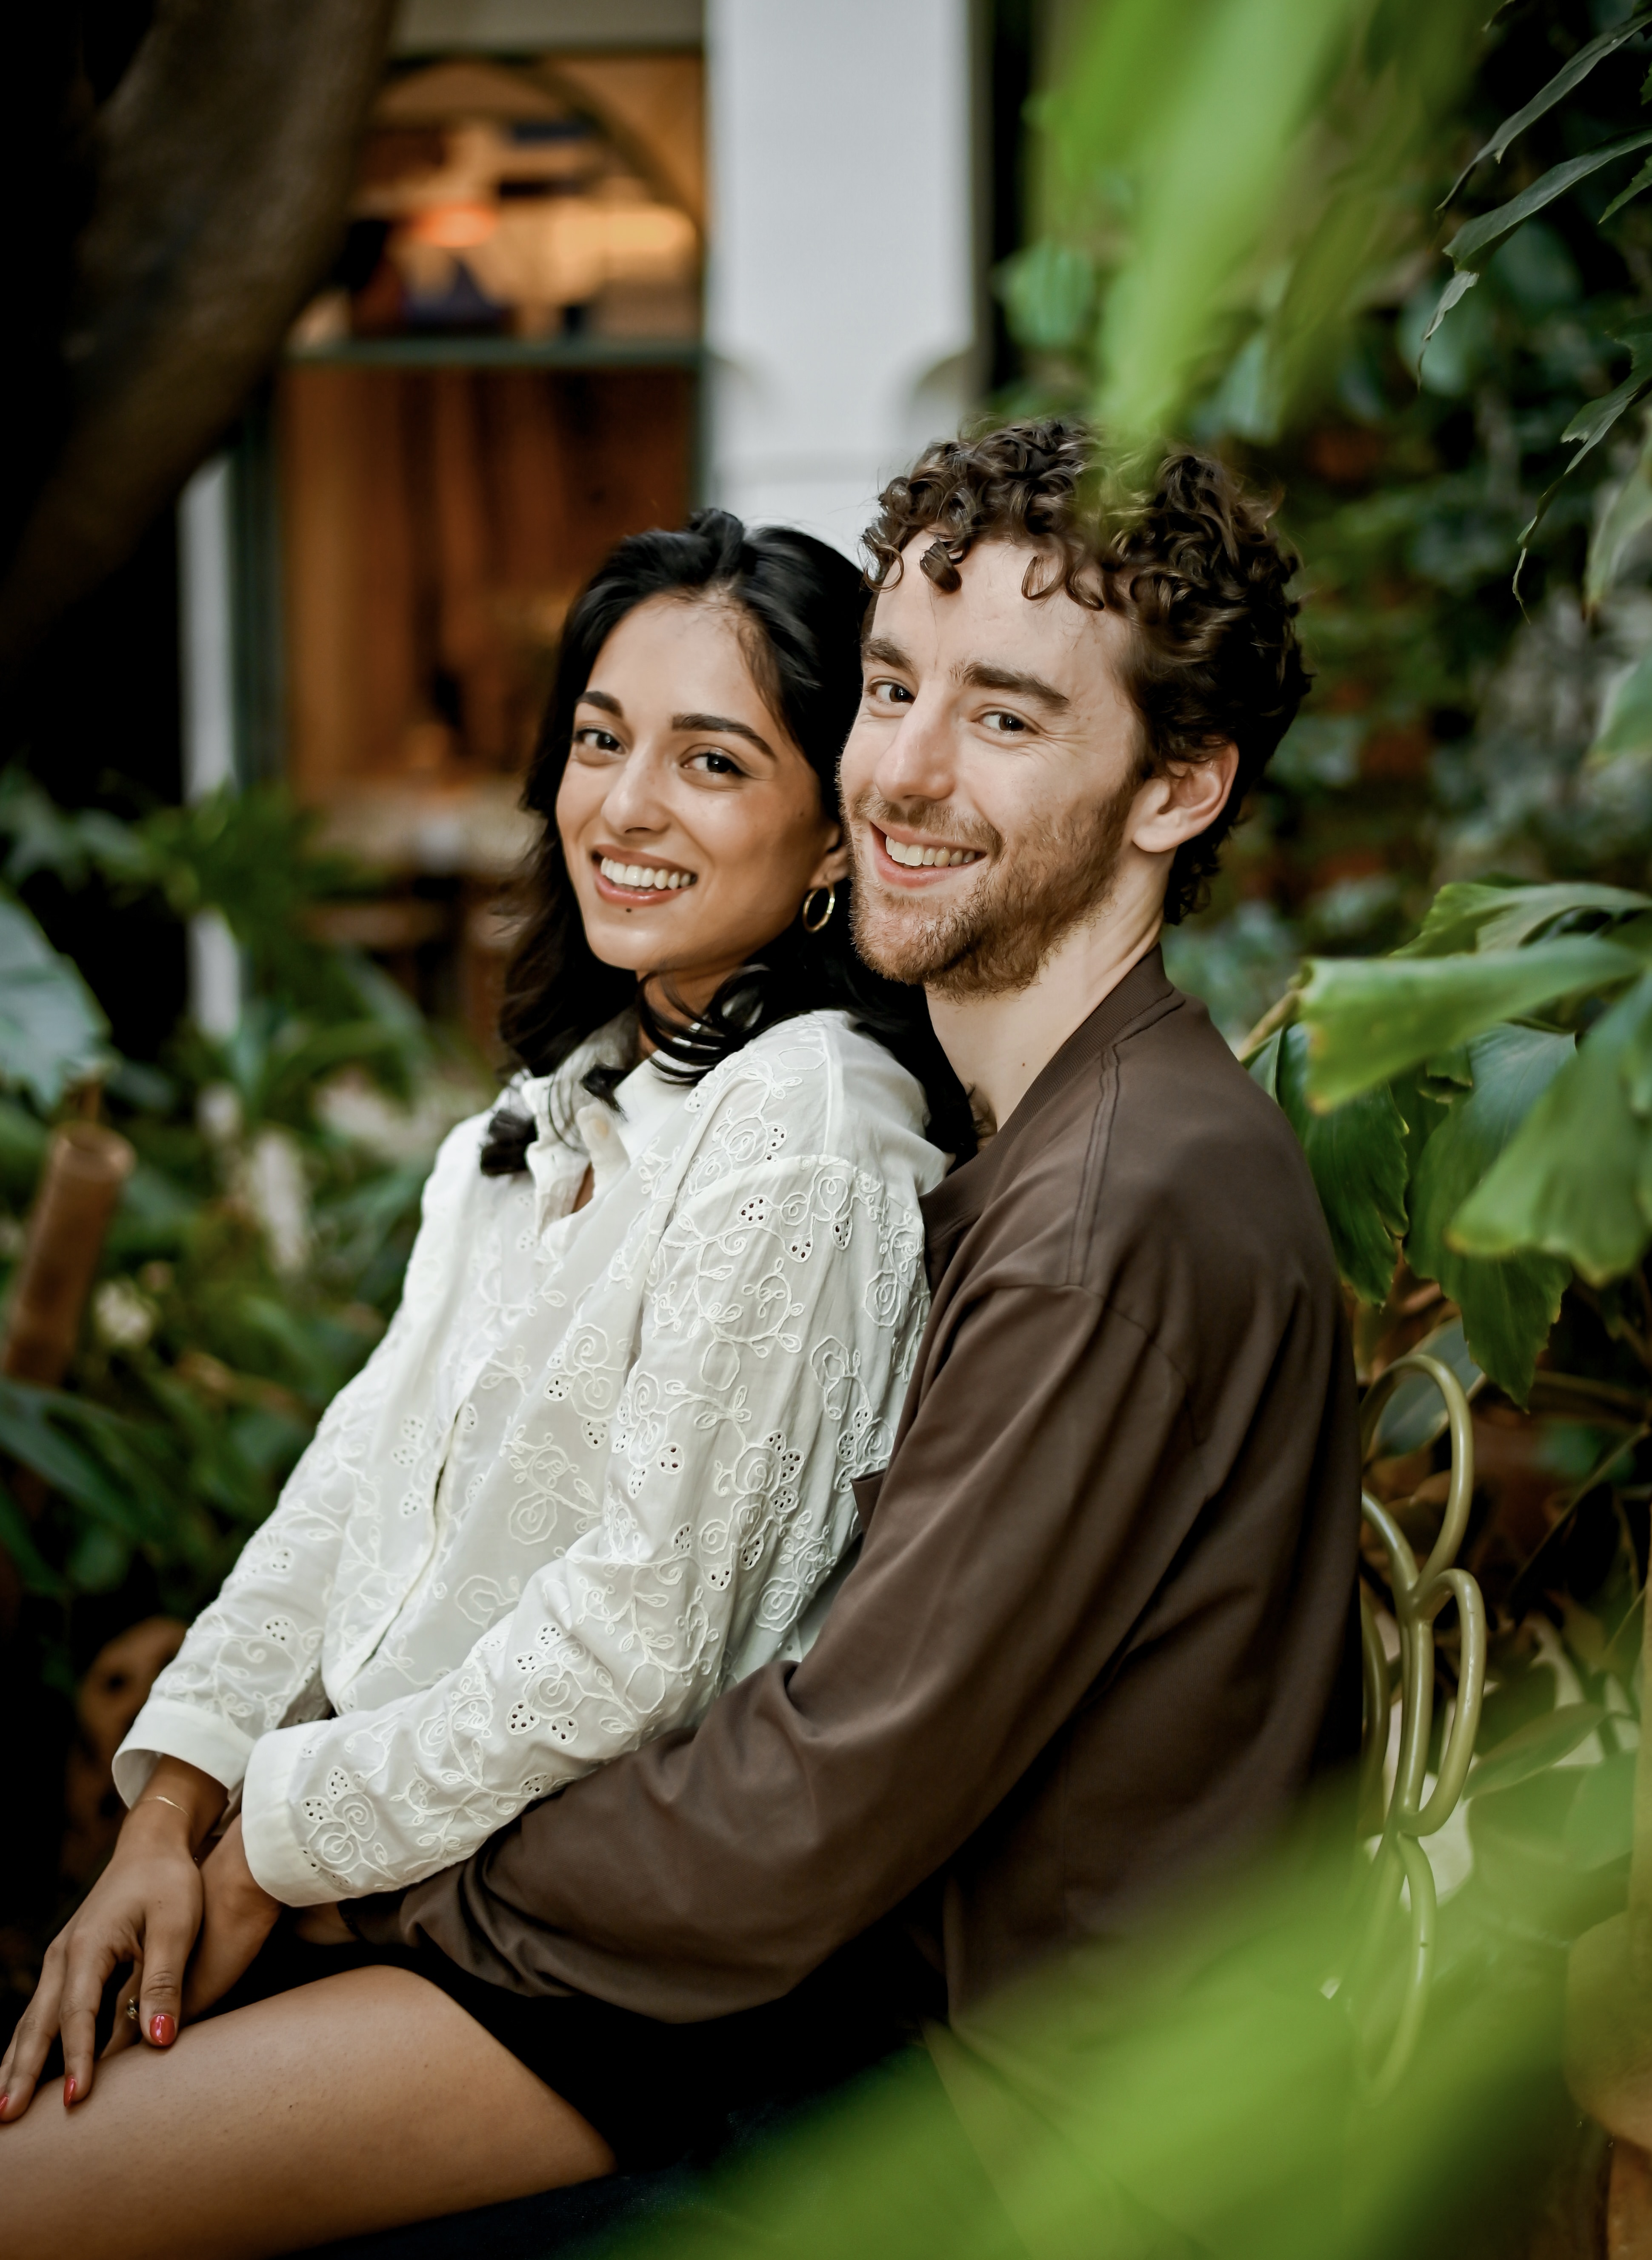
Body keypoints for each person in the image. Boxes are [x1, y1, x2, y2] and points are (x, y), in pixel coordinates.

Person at [0, 423, 1361, 2260]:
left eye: (1005, 717)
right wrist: (204, 1804)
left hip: (1019, 2136)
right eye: (894, 689)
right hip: (853, 2020)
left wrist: (334, 1877)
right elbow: (381, 1480)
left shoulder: (1098, 1208)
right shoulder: (1044, 1144)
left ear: (1176, 788)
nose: (906, 767)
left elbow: (797, 1798)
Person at [0, 511, 963, 2247]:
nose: (624, 806)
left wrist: (269, 1840)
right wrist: (176, 1802)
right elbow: (346, 1482)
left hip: (587, 1953)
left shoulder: (808, 1120)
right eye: (599, 739)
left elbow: (640, 1638)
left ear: (833, 833)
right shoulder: (553, 1111)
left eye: (712, 760)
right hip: (398, 1881)